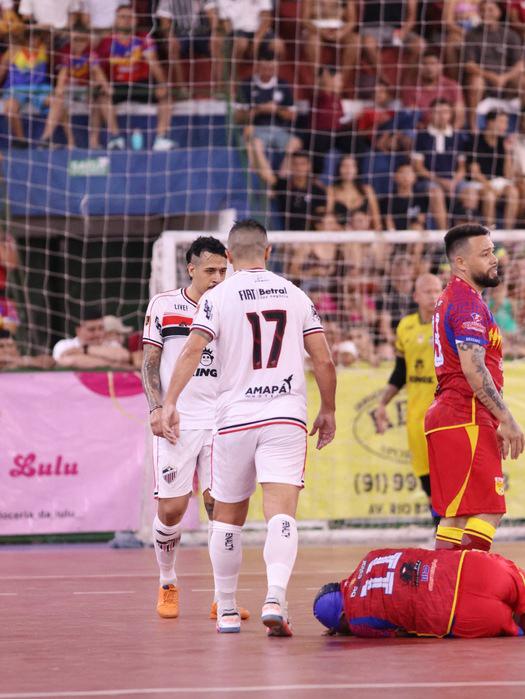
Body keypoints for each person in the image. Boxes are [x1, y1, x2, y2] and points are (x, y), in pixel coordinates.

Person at [161, 219, 337, 635]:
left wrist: (169, 402)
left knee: (227, 516)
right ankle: (275, 597)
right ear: (268, 251)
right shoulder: (294, 294)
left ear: (229, 255)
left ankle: (225, 608)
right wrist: (328, 409)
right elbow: (323, 359)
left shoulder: (217, 297)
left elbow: (191, 350)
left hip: (235, 418)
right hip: (285, 415)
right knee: (281, 512)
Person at [142, 236, 249, 621]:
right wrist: (157, 407)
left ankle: (224, 598)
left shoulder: (234, 305)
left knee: (220, 506)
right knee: (172, 509)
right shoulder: (164, 305)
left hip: (222, 420)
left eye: (223, 270)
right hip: (180, 419)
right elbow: (150, 361)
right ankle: (167, 581)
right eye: (210, 270)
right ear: (191, 269)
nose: (218, 277)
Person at [425, 223, 524, 552]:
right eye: (485, 254)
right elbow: (473, 369)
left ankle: (444, 581)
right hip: (464, 413)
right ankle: (466, 580)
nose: (494, 259)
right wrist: (506, 419)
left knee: (455, 517)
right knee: (488, 509)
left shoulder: (452, 298)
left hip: (451, 415)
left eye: (492, 251)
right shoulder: (467, 303)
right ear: (460, 263)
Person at [313, 546, 525, 638]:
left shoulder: (357, 622)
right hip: (473, 567)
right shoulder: (370, 557)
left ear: (342, 616)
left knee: (516, 627)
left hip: (459, 613)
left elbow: (399, 633)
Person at [375, 274, 442, 515]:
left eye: (437, 290)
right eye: (428, 291)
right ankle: (439, 528)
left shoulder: (448, 324)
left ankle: (454, 529)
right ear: (415, 296)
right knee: (426, 477)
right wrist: (382, 403)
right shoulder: (405, 326)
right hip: (417, 415)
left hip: (446, 413)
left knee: (448, 474)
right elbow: (401, 371)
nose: (433, 296)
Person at [96, 4, 176, 151]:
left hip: (141, 83)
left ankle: (161, 138)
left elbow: (154, 64)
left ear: (136, 20)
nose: (127, 20)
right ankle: (115, 138)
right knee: (102, 97)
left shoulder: (143, 38)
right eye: (122, 17)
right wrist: (104, 85)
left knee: (166, 96)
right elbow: (96, 68)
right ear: (116, 20)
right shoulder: (107, 41)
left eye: (130, 17)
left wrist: (162, 84)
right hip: (118, 84)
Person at [39, 22, 117, 149]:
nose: (79, 43)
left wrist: (106, 86)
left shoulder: (90, 53)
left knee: (100, 99)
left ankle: (98, 140)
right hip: (69, 89)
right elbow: (63, 73)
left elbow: (97, 72)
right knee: (58, 101)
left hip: (85, 90)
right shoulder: (66, 52)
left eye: (83, 40)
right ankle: (47, 138)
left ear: (87, 40)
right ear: (71, 39)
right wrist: (59, 88)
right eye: (76, 40)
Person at [235, 49, 302, 184]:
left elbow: (292, 116)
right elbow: (237, 117)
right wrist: (259, 109)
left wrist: (277, 110)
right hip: (255, 130)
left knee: (295, 143)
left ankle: (282, 178)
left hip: (279, 130)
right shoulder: (246, 85)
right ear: (257, 67)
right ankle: (271, 181)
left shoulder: (283, 85)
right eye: (264, 68)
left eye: (271, 68)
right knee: (254, 145)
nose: (268, 71)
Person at [463, 0, 523, 132]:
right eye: (482, 10)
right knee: (475, 83)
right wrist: (492, 76)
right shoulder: (472, 35)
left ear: (499, 12)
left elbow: (519, 63)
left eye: (490, 10)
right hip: (484, 79)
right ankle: (473, 124)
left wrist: (504, 78)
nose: (486, 13)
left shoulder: (510, 34)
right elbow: (469, 65)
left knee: (523, 81)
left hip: (507, 81)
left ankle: (522, 124)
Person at [0, 27, 51, 147]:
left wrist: (34, 26)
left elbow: (52, 28)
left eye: (35, 37)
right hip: (16, 90)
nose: (32, 40)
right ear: (24, 38)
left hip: (39, 89)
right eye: (29, 37)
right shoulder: (13, 50)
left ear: (40, 38)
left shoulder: (44, 48)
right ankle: (21, 140)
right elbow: (1, 72)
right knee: (10, 108)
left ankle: (45, 139)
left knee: (58, 102)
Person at [468, 111, 519, 231]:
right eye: (501, 122)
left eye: (506, 123)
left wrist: (507, 152)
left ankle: (508, 235)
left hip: (498, 183)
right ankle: (491, 235)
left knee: (513, 192)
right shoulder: (475, 142)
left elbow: (508, 175)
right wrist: (490, 186)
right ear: (489, 123)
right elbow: (475, 173)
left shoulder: (503, 143)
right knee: (489, 197)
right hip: (480, 183)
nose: (505, 126)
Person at [401, 49, 465, 130]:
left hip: (449, 130)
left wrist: (451, 133)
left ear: (440, 66)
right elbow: (411, 119)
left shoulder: (452, 86)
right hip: (423, 131)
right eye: (424, 64)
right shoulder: (410, 88)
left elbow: (460, 116)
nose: (429, 68)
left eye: (433, 64)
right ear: (418, 67)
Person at [52, 307, 132, 368]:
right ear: (78, 331)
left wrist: (84, 350)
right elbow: (71, 361)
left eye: (101, 328)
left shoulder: (111, 344)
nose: (98, 333)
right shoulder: (64, 345)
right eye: (91, 329)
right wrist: (113, 363)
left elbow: (124, 356)